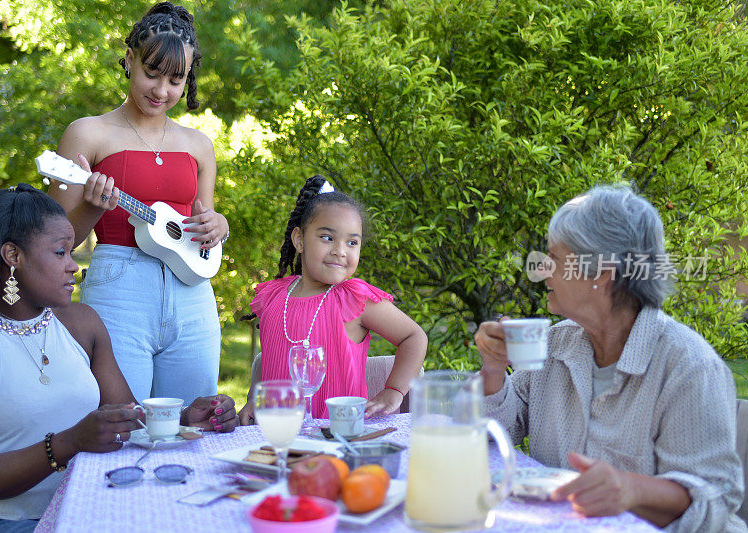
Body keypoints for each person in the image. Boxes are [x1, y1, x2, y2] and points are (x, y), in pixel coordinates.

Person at [0, 185, 238, 532]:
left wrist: (184, 418)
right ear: (13, 256)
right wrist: (69, 443)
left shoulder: (82, 324)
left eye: (71, 252)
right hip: (0, 523)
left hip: (89, 506)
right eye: (60, 253)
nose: (73, 266)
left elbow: (130, 420)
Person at [475, 185, 745, 532]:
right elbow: (494, 434)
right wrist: (494, 369)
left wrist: (632, 490)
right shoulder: (557, 343)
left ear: (601, 274)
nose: (542, 270)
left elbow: (715, 500)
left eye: (554, 259)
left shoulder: (690, 367)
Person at [49, 1, 228, 406]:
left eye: (176, 80)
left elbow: (204, 228)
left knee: (193, 423)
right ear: (130, 60)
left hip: (193, 295)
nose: (162, 91)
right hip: (119, 290)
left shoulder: (199, 145)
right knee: (118, 425)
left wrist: (219, 226)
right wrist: (93, 206)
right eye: (152, 73)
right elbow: (56, 242)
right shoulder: (86, 134)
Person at [238, 175, 428, 425]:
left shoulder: (355, 299)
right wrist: (255, 399)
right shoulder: (273, 296)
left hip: (339, 436)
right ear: (299, 240)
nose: (340, 250)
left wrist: (394, 390)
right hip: (277, 436)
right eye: (327, 237)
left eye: (352, 242)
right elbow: (270, 360)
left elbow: (414, 337)